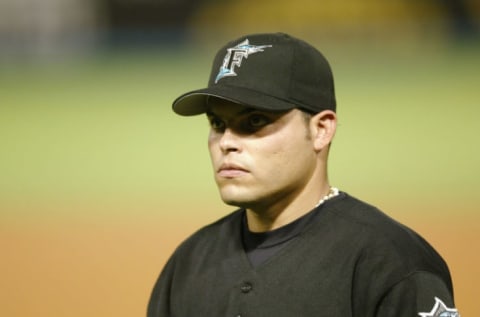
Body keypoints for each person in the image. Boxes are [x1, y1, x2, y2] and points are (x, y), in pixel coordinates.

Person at [147, 32, 459, 317]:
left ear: (321, 129)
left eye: (254, 121)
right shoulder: (189, 262)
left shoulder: (389, 263)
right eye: (217, 124)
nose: (226, 142)